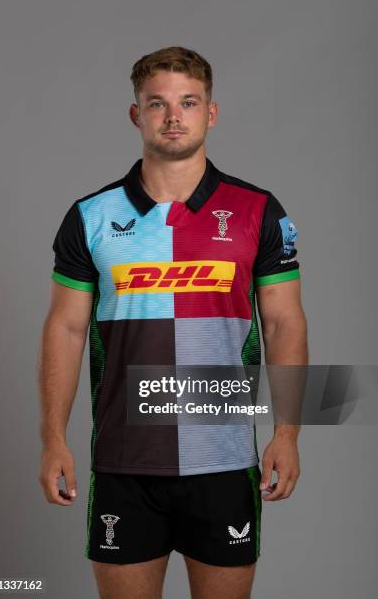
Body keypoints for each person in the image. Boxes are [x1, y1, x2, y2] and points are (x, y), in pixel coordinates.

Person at [38, 46, 308, 599]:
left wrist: (287, 432)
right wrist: (52, 438)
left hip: (226, 460)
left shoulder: (258, 211)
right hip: (124, 459)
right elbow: (64, 330)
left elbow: (284, 323)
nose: (173, 116)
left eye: (188, 102)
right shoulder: (91, 215)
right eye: (157, 103)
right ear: (136, 114)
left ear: (211, 112)